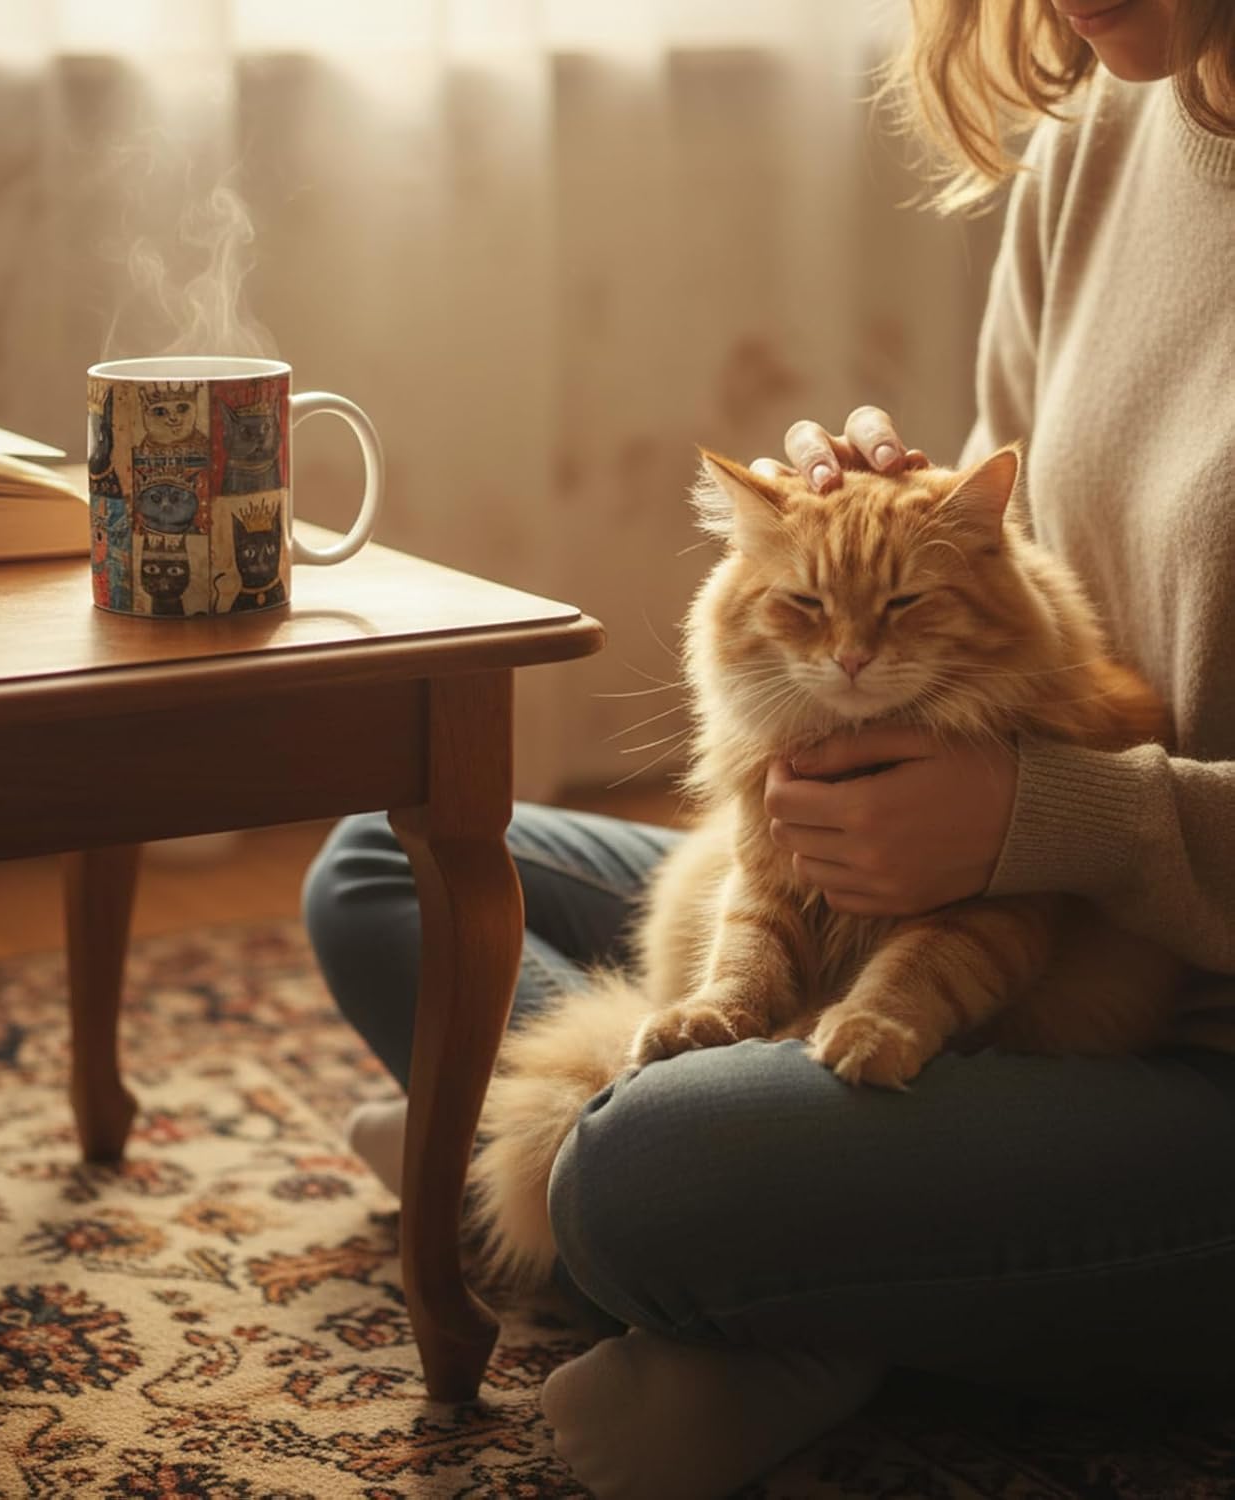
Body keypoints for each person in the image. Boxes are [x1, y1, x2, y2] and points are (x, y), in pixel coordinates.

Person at [302, 1, 1235, 1494]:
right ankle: (770, 1227)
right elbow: (1026, 557)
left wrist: (1048, 823)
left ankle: (707, 1239)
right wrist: (893, 509)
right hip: (984, 880)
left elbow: (1056, 807)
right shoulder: (1098, 141)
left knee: (644, 1175)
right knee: (387, 865)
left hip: (1188, 1047)